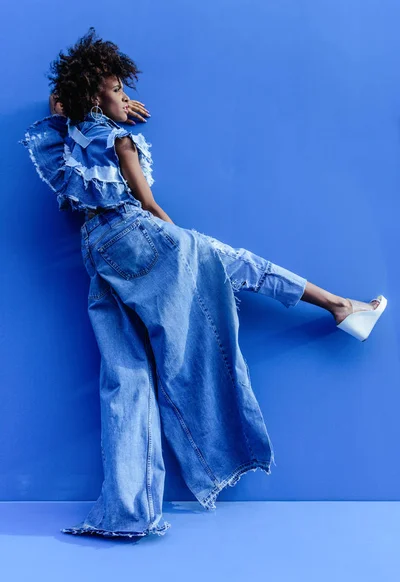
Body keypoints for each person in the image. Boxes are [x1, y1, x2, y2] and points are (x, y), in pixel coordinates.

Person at [19, 27, 387, 541]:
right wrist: (178, 238)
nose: (127, 96)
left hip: (96, 252)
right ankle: (337, 305)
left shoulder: (75, 131)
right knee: (228, 261)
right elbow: (145, 203)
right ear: (96, 94)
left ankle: (128, 513)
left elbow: (62, 100)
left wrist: (105, 99)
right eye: (119, 88)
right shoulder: (118, 137)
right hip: (135, 233)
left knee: (125, 378)